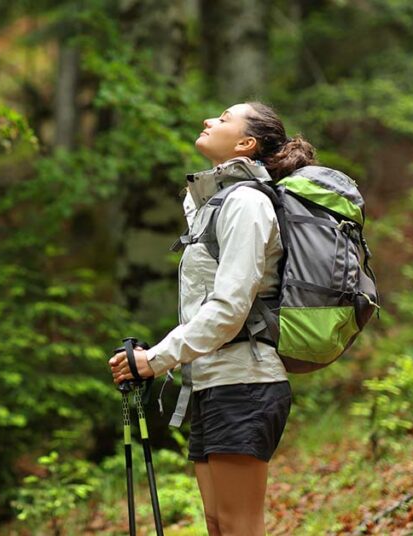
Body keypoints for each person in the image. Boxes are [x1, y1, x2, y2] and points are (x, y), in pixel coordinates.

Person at [108, 102, 318, 535]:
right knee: (219, 525)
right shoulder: (212, 204)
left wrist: (158, 359)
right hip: (213, 383)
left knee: (240, 527)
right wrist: (150, 356)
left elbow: (228, 309)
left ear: (246, 143)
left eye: (223, 119)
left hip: (246, 383)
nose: (208, 121)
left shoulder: (245, 203)